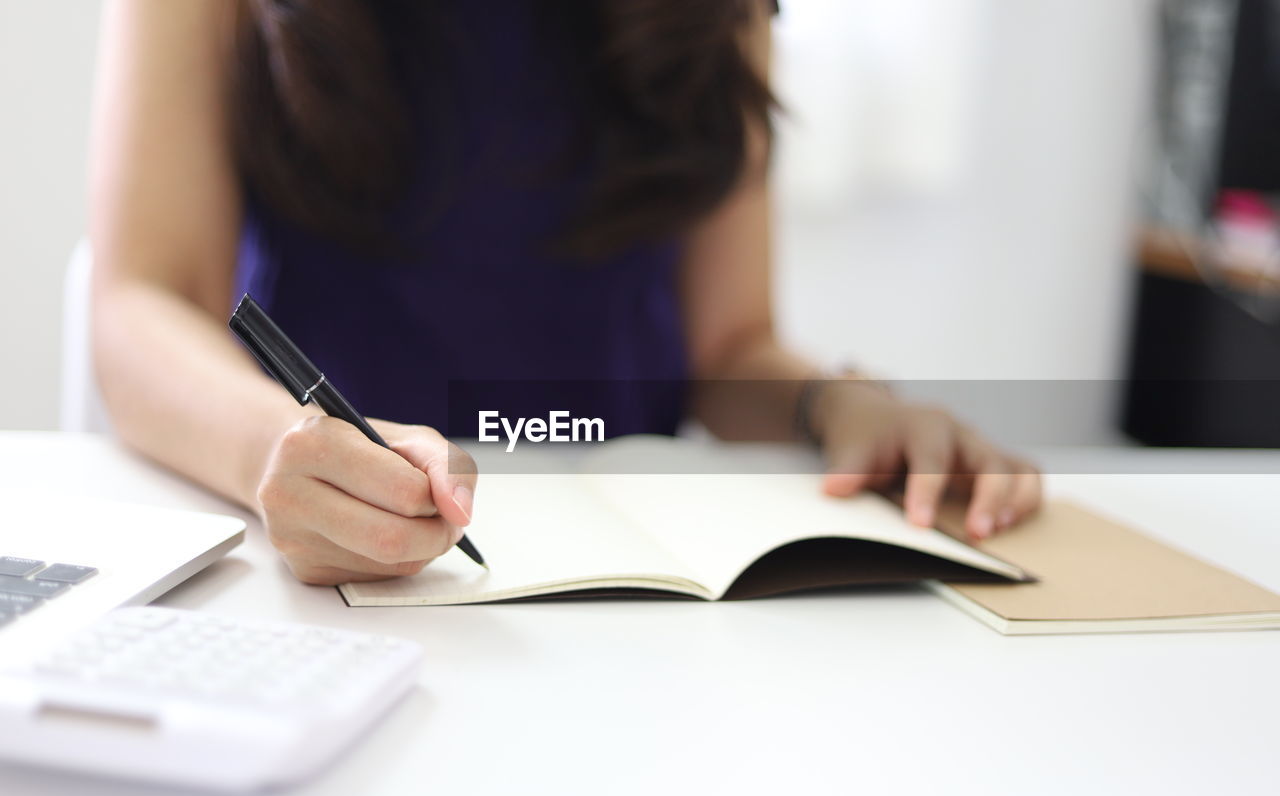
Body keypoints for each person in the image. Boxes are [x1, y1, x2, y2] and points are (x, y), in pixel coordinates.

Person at [91, 0, 1041, 586]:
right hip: (324, 566)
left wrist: (836, 405)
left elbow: (733, 344)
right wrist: (274, 450)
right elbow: (139, 300)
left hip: (633, 580)